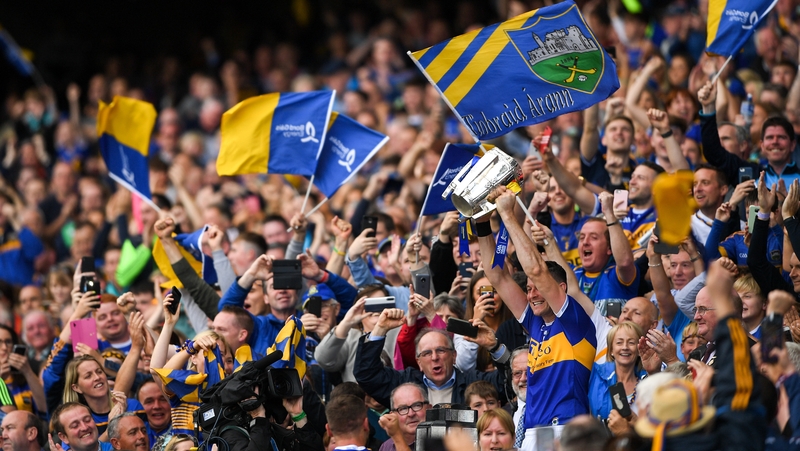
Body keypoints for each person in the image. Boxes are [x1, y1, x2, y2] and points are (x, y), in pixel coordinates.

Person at [480, 186, 596, 450]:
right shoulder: (534, 323)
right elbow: (496, 275)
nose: (531, 294)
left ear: (561, 290)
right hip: (534, 432)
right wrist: (482, 222)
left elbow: (535, 269)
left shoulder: (575, 322)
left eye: (538, 288)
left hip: (566, 428)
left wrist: (508, 215)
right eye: (528, 289)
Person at [588, 322, 647, 421]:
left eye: (631, 342)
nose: (625, 347)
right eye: (619, 343)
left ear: (638, 349)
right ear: (611, 350)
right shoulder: (595, 374)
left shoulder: (648, 380)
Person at [378, 383, 430, 451]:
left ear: (429, 409)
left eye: (417, 405)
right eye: (403, 409)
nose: (411, 414)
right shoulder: (386, 447)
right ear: (393, 416)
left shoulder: (444, 442)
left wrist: (396, 436)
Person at [48, 402, 113, 451]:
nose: (85, 427)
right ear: (64, 437)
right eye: (75, 426)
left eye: (87, 420)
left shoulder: (118, 448)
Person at [135, 380, 172, 447]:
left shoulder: (184, 432)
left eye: (163, 399)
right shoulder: (133, 438)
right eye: (149, 401)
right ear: (139, 407)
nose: (157, 406)